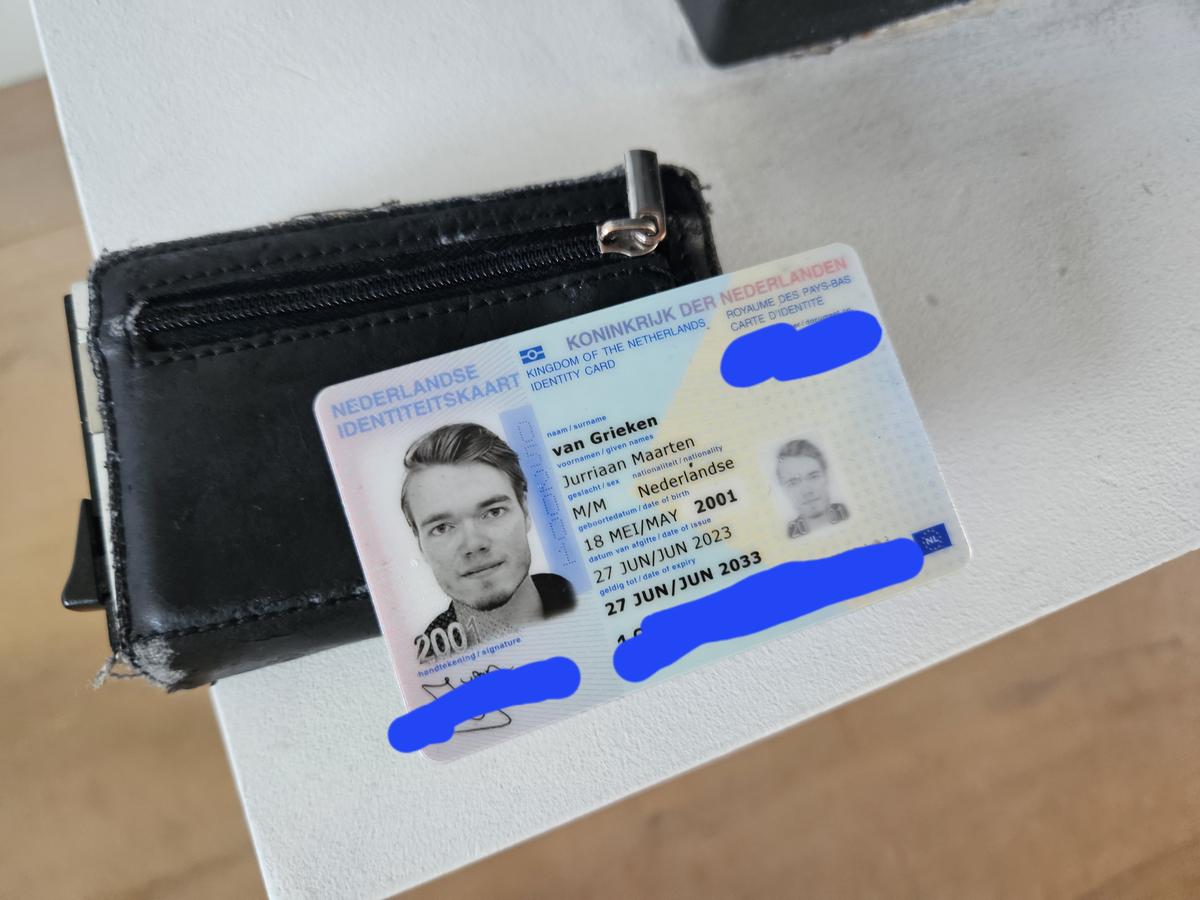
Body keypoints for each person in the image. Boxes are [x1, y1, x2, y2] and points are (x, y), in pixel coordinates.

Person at [401, 422, 575, 647]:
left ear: (525, 511)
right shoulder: (423, 659)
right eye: (442, 527)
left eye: (493, 512)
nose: (473, 544)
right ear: (420, 544)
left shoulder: (588, 599)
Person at [775, 439, 850, 538]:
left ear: (826, 476)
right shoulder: (783, 537)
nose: (807, 491)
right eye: (793, 483)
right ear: (784, 490)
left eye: (813, 477)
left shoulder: (853, 512)